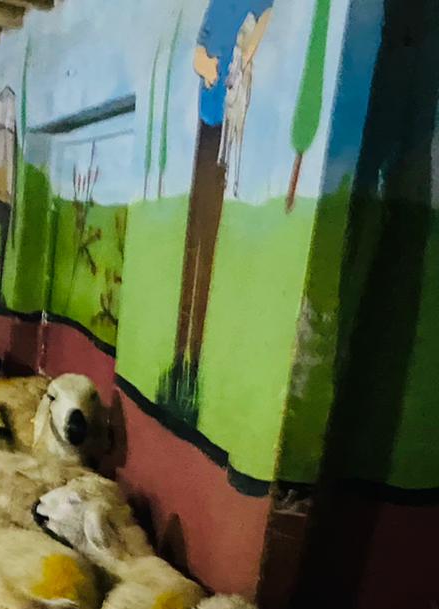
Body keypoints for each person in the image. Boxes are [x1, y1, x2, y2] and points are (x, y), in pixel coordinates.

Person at [166, 0, 274, 409]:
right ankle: (180, 357)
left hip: (229, 128)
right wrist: (209, 67)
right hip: (210, 119)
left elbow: (258, 32)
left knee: (207, 243)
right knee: (194, 239)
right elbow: (200, 50)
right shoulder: (220, 6)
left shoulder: (261, 5)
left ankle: (192, 362)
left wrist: (240, 61)